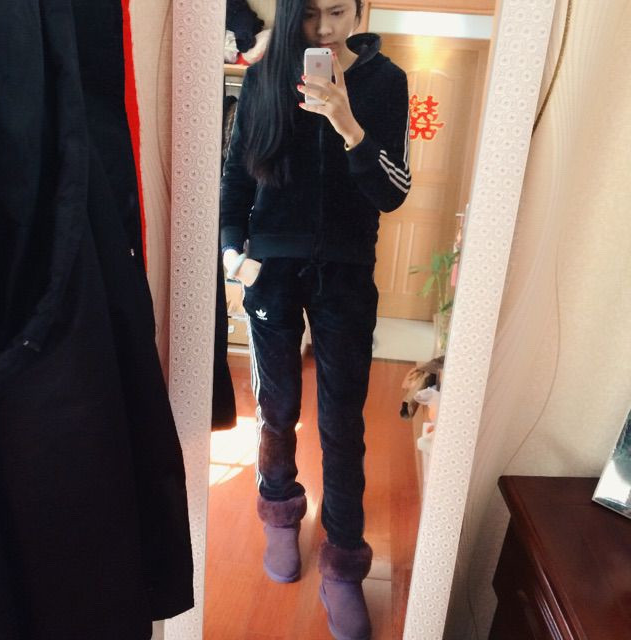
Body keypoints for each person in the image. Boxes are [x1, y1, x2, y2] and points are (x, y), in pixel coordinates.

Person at [220, 0, 410, 637]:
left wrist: (347, 123)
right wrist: (232, 252)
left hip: (346, 272)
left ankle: (344, 561)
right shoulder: (262, 79)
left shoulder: (385, 81)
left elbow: (392, 191)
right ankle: (279, 511)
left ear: (358, 9)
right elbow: (236, 179)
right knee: (276, 406)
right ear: (289, 15)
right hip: (271, 268)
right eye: (309, 15)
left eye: (337, 11)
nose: (325, 29)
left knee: (342, 421)